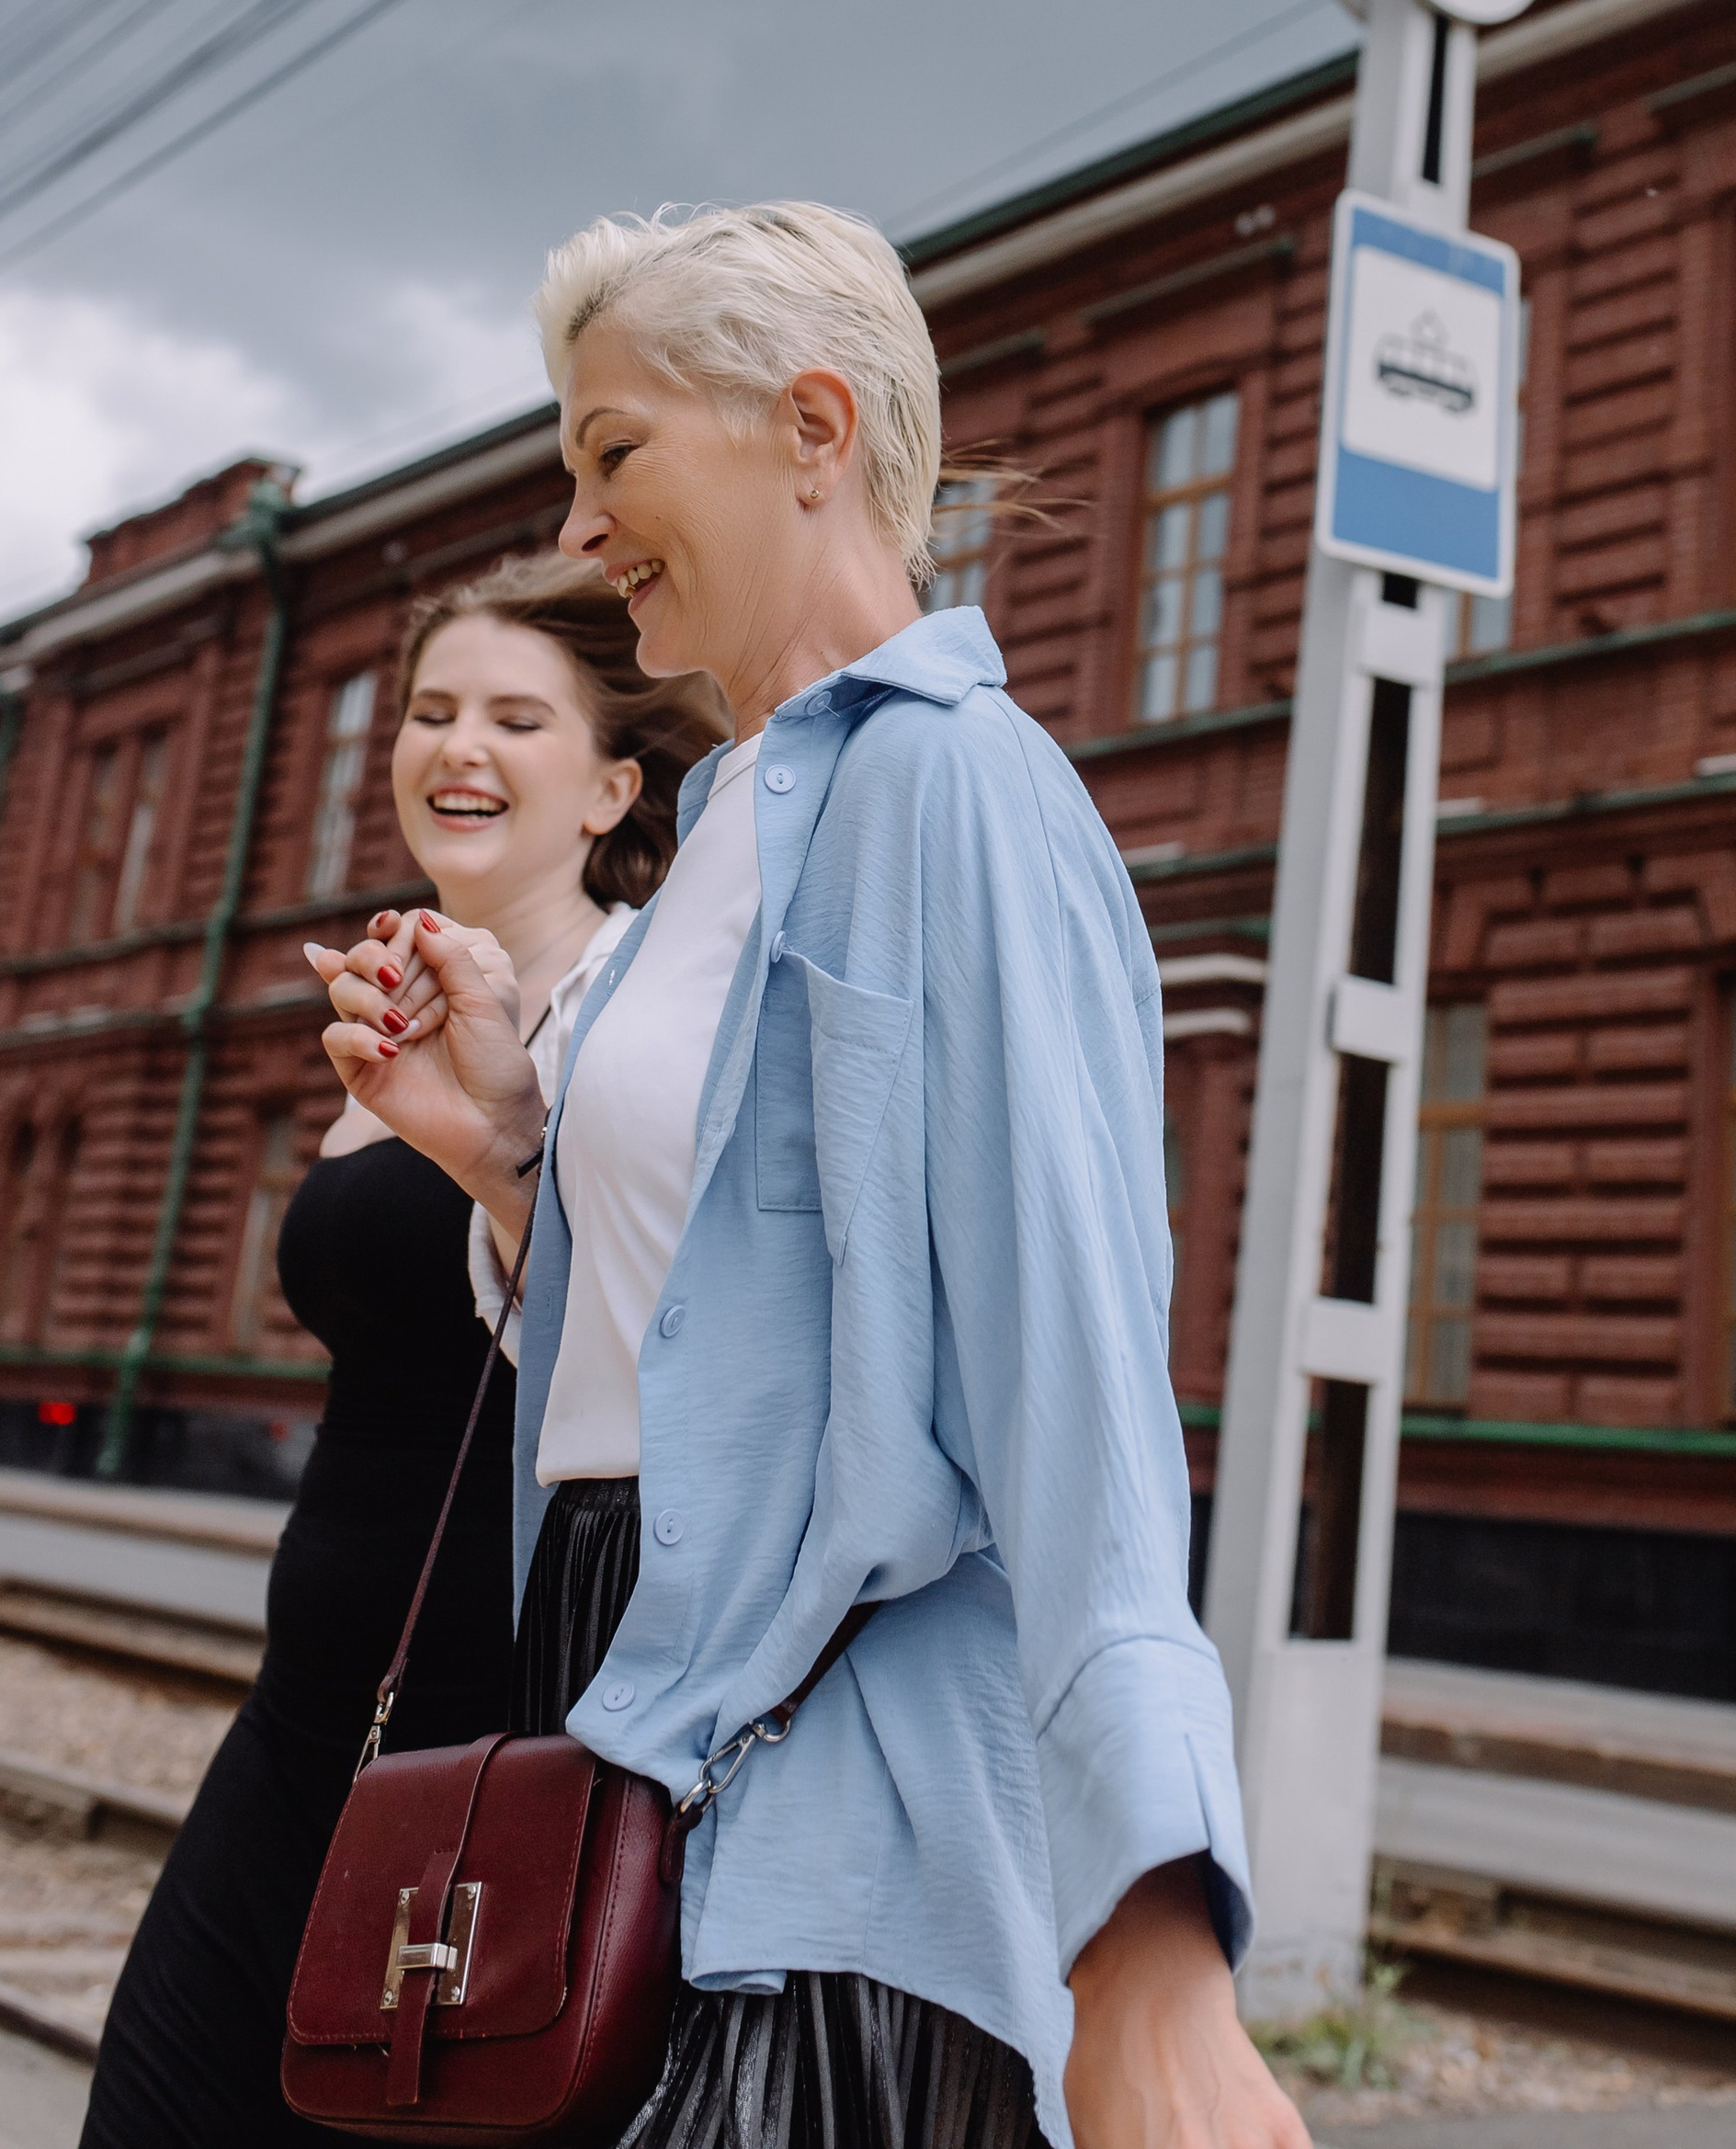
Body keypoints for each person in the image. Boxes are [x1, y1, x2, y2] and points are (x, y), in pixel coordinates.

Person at [323, 201, 1308, 2149]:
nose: (582, 526)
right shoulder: (724, 829)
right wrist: (511, 1161)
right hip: (633, 1716)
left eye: (614, 453)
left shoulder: (950, 782)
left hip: (847, 1802)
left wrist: (1149, 1945)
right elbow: (697, 1345)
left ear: (807, 425)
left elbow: (1071, 1354)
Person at [84, 554, 723, 2149]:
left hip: (488, 1715)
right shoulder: (394, 997)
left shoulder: (629, 1012)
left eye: (518, 716)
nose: (457, 745)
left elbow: (643, 1342)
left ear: (610, 787)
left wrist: (498, 1153)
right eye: (431, 710)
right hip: (310, 1710)